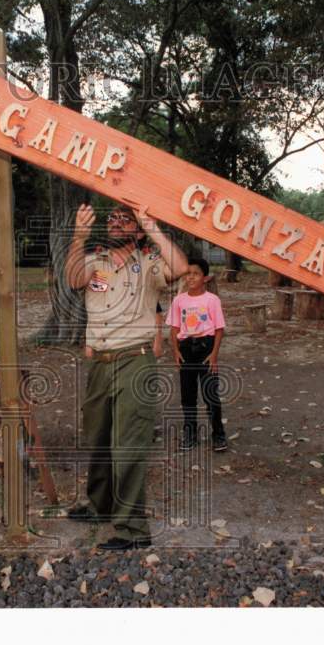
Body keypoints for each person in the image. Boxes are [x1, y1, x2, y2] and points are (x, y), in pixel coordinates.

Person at [65, 203, 188, 551]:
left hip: (136, 361)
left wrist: (151, 225)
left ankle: (134, 530)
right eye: (112, 219)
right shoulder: (96, 262)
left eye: (125, 220)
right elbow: (73, 279)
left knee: (128, 446)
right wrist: (79, 234)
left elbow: (179, 267)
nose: (117, 223)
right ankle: (100, 506)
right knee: (98, 439)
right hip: (100, 364)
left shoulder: (148, 263)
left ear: (136, 231)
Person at [167, 258, 228, 453]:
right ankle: (190, 433)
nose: (191, 277)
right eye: (188, 274)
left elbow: (219, 329)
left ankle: (218, 434)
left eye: (196, 273)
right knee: (188, 395)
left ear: (205, 278)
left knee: (211, 395)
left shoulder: (212, 300)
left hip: (206, 349)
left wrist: (214, 355)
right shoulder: (179, 300)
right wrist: (176, 351)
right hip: (186, 350)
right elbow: (174, 328)